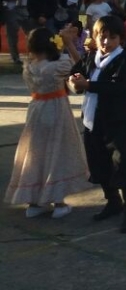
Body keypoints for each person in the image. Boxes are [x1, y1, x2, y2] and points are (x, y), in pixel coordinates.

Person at [68, 14, 126, 233]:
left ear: (121, 39)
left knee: (124, 167)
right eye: (102, 37)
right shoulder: (91, 57)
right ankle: (113, 202)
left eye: (112, 38)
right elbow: (74, 74)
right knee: (100, 165)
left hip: (118, 123)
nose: (106, 42)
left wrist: (89, 85)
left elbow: (120, 88)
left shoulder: (125, 61)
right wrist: (75, 83)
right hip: (94, 122)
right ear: (95, 37)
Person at [5, 26, 87, 219]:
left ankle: (34, 202)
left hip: (36, 110)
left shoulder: (30, 66)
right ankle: (58, 201)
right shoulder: (59, 64)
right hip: (56, 108)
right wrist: (68, 44)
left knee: (35, 152)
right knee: (57, 151)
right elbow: (81, 66)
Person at [3, 0, 36, 64]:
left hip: (26, 8)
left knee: (31, 33)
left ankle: (32, 56)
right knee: (12, 34)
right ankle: (15, 57)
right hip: (12, 9)